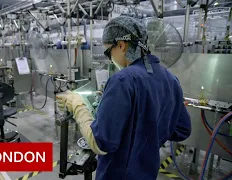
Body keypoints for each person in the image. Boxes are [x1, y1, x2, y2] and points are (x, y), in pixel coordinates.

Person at [57, 16, 191, 180]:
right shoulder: (170, 80)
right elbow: (182, 130)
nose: (110, 59)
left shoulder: (122, 80)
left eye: (108, 52)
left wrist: (77, 105)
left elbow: (100, 143)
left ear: (121, 45)